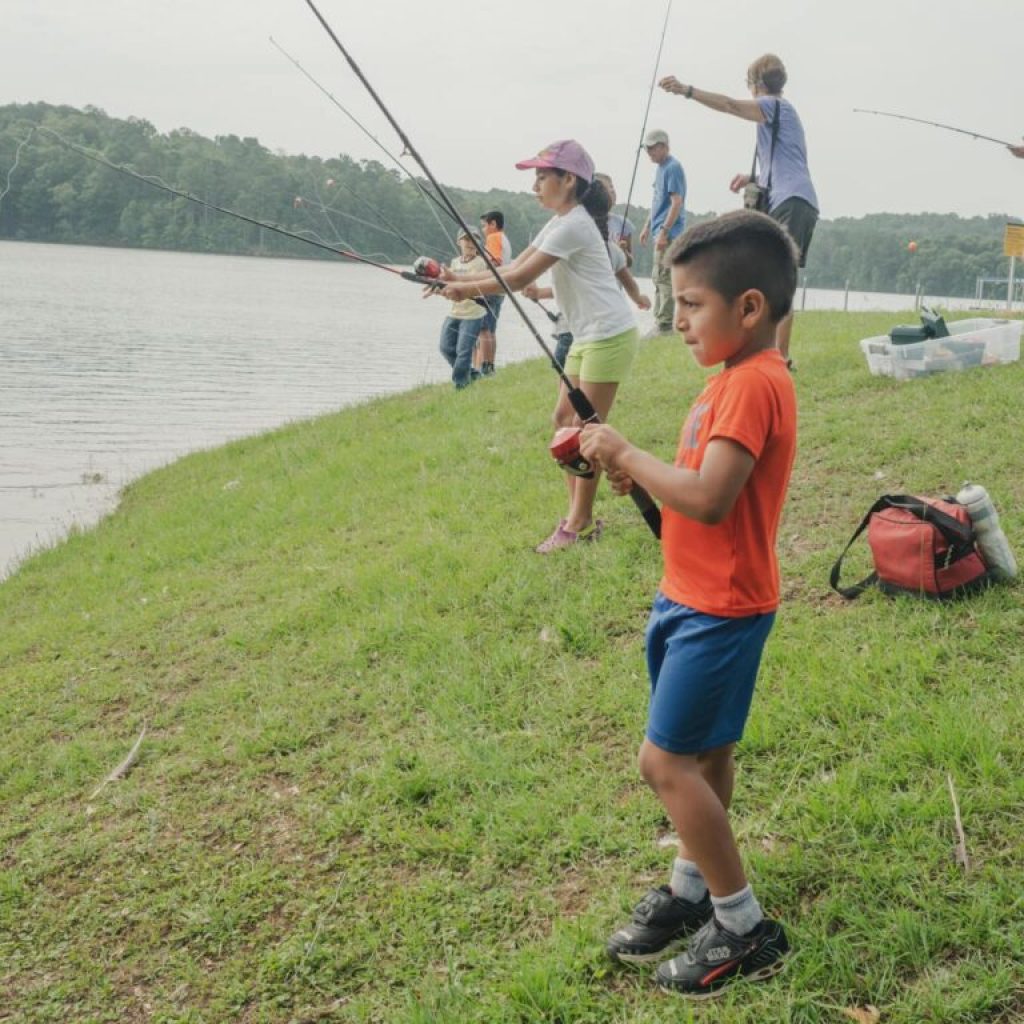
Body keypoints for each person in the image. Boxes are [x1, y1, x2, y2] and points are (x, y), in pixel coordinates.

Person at [578, 210, 799, 1000]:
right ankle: (691, 886)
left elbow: (709, 499)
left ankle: (744, 926)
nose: (676, 323)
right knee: (706, 755)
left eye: (691, 306)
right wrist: (634, 470)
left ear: (749, 308)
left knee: (664, 761)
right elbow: (697, 492)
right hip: (691, 597)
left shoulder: (751, 387)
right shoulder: (733, 382)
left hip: (721, 608)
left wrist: (627, 451)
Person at [441, 140, 639, 552]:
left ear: (568, 180)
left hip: (608, 333)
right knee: (563, 419)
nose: (535, 184)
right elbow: (512, 267)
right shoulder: (563, 218)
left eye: (542, 176)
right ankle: (575, 516)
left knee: (586, 430)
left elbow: (514, 281)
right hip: (587, 334)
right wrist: (456, 280)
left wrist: (464, 290)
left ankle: (580, 523)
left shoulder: (573, 224)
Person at [659, 54, 818, 368]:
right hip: (795, 198)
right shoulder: (785, 114)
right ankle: (769, 352)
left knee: (779, 276)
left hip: (791, 200)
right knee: (770, 273)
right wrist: (754, 178)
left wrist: (687, 90)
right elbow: (789, 162)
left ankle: (779, 359)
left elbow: (730, 106)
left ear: (757, 84)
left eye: (749, 85)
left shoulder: (773, 106)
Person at [638, 129, 687, 335]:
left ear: (664, 146)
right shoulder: (660, 168)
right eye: (647, 149)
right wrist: (647, 227)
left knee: (665, 277)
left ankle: (665, 324)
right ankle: (660, 320)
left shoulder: (673, 167)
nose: (649, 152)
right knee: (657, 277)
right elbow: (657, 201)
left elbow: (676, 202)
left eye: (653, 148)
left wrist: (665, 232)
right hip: (658, 230)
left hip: (669, 233)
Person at [435, 229, 488, 389]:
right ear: (459, 242)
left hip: (473, 314)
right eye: (467, 239)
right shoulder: (454, 262)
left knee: (463, 351)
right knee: (445, 347)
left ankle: (461, 385)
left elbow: (474, 284)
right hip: (455, 312)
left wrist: (460, 289)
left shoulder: (480, 262)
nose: (471, 243)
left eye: (474, 239)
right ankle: (471, 373)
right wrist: (441, 290)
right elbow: (450, 285)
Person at [474, 210, 513, 377]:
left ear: (493, 224)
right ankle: (490, 366)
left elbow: (495, 261)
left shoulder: (494, 237)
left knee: (483, 329)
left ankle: (485, 367)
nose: (483, 230)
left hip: (491, 288)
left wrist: (481, 260)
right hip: (501, 290)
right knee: (491, 330)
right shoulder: (505, 239)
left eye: (484, 225)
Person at [597, 172, 635, 266]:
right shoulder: (586, 222)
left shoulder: (623, 223)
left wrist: (624, 251)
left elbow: (629, 263)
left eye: (612, 187)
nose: (612, 191)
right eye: (607, 188)